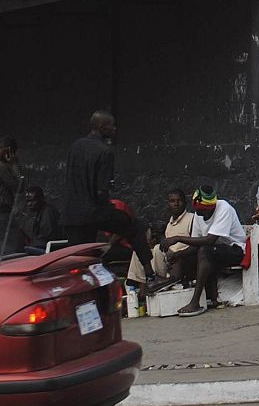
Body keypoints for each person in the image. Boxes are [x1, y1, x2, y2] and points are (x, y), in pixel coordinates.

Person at [60, 111, 158, 281]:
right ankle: (150, 274)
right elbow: (101, 190)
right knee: (134, 227)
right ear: (102, 127)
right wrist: (107, 208)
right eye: (112, 125)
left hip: (72, 214)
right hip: (94, 211)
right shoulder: (105, 152)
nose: (115, 128)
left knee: (80, 259)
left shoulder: (75, 146)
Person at [165, 186, 248, 317]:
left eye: (206, 211)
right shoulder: (199, 213)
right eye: (199, 211)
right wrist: (177, 255)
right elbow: (194, 245)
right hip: (214, 252)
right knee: (184, 257)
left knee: (204, 251)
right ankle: (170, 287)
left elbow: (210, 240)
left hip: (235, 250)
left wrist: (177, 238)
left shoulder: (224, 208)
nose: (202, 214)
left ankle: (195, 302)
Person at [130, 188, 195, 285]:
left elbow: (195, 243)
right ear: (168, 204)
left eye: (179, 200)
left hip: (182, 257)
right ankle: (138, 283)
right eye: (172, 201)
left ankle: (159, 280)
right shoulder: (170, 223)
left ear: (185, 202)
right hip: (167, 257)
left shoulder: (191, 218)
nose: (176, 204)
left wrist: (177, 253)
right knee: (139, 251)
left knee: (157, 249)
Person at [18, 186, 61, 251]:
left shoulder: (48, 212)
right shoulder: (40, 212)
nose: (29, 204)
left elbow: (46, 237)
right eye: (27, 201)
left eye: (32, 201)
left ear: (41, 199)